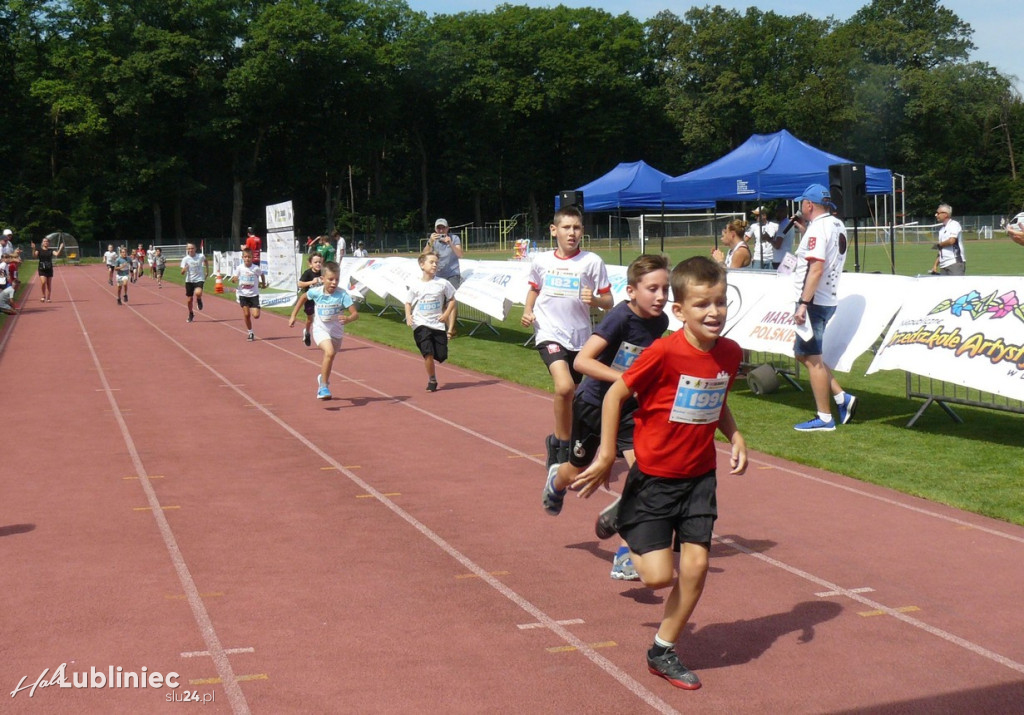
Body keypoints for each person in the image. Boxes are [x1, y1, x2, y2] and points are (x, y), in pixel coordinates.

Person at [573, 256, 747, 691]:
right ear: (680, 310)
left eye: (721, 303)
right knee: (656, 576)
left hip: (699, 476)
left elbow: (716, 396)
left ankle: (662, 650)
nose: (714, 312)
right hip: (653, 476)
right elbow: (614, 396)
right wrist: (607, 452)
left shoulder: (730, 352)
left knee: (697, 565)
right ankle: (626, 512)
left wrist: (736, 434)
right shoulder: (664, 352)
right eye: (703, 304)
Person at [541, 254, 671, 582]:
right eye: (652, 289)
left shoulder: (661, 322)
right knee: (576, 470)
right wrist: (625, 381)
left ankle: (626, 553)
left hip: (627, 408)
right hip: (592, 404)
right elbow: (583, 361)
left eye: (665, 289)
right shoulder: (618, 319)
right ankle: (557, 479)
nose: (661, 296)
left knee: (647, 470)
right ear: (631, 291)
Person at [521, 204, 613, 467]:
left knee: (574, 396)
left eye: (576, 228)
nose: (571, 233)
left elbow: (609, 300)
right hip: (549, 333)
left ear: (582, 231)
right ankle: (562, 447)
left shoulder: (592, 262)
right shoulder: (541, 262)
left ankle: (560, 440)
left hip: (581, 339)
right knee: (564, 387)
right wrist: (528, 311)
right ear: (554, 230)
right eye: (566, 227)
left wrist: (595, 299)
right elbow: (534, 290)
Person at [790, 184, 857, 432]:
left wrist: (803, 303)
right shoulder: (836, 224)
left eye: (802, 203)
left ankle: (825, 417)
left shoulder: (819, 228)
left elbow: (816, 267)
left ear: (809, 205)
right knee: (803, 354)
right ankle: (841, 398)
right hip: (825, 298)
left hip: (814, 301)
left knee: (812, 357)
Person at [288, 261, 358, 400]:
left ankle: (322, 379)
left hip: (336, 332)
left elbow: (355, 314)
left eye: (337, 279)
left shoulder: (342, 295)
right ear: (322, 279)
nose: (334, 283)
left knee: (330, 356)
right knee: (329, 352)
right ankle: (323, 387)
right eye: (330, 279)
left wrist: (348, 319)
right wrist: (293, 315)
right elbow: (303, 297)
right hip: (320, 329)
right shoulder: (316, 292)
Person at [405, 251, 457, 392]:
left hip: (437, 324)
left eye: (436, 262)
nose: (434, 265)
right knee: (428, 352)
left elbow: (452, 299)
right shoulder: (415, 284)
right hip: (420, 324)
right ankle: (432, 379)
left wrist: (446, 314)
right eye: (431, 262)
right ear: (422, 265)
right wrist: (408, 316)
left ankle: (434, 362)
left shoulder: (442, 283)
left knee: (441, 355)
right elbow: (408, 302)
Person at [230, 247, 267, 341]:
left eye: (249, 257)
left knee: (256, 316)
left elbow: (262, 274)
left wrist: (263, 283)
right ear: (242, 257)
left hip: (254, 295)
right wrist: (234, 280)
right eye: (245, 257)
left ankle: (257, 307)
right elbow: (234, 278)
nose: (247, 259)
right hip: (243, 295)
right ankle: (250, 332)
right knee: (246, 314)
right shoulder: (239, 268)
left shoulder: (255, 268)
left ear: (252, 257)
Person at [423, 218, 463, 288]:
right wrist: (430, 242)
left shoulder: (454, 238)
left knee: (451, 294)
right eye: (439, 228)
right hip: (437, 274)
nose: (441, 230)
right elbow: (424, 255)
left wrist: (450, 243)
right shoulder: (433, 240)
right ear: (435, 229)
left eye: (443, 228)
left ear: (447, 228)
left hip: (452, 274)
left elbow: (460, 255)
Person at [296, 253, 325, 346]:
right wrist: (312, 282)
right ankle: (307, 332)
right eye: (315, 262)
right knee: (310, 319)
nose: (318, 264)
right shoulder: (308, 273)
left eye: (320, 262)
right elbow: (299, 284)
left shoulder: (324, 273)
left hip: (321, 300)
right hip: (309, 299)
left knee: (320, 318)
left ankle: (322, 337)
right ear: (310, 264)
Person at [931, 203, 965, 275]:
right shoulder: (941, 230)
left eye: (938, 213)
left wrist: (939, 245)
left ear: (945, 214)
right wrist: (935, 265)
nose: (936, 215)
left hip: (954, 263)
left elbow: (952, 241)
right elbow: (941, 249)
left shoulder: (954, 224)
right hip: (943, 265)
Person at [179, 242, 209, 323]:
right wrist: (184, 269)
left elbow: (206, 261)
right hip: (189, 280)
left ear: (195, 249)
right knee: (189, 300)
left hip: (199, 278)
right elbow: (182, 272)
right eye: (189, 248)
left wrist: (207, 271)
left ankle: (199, 300)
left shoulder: (200, 256)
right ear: (187, 250)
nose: (190, 250)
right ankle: (191, 313)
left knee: (198, 292)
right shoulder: (185, 259)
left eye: (192, 248)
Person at [30, 236, 64, 302]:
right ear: (42, 243)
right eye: (44, 241)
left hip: (49, 268)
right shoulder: (39, 250)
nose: (45, 242)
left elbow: (57, 254)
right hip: (42, 268)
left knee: (49, 284)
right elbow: (34, 256)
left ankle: (48, 297)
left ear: (48, 243)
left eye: (47, 241)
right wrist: (33, 249)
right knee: (43, 282)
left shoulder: (51, 250)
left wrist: (60, 248)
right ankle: (43, 296)